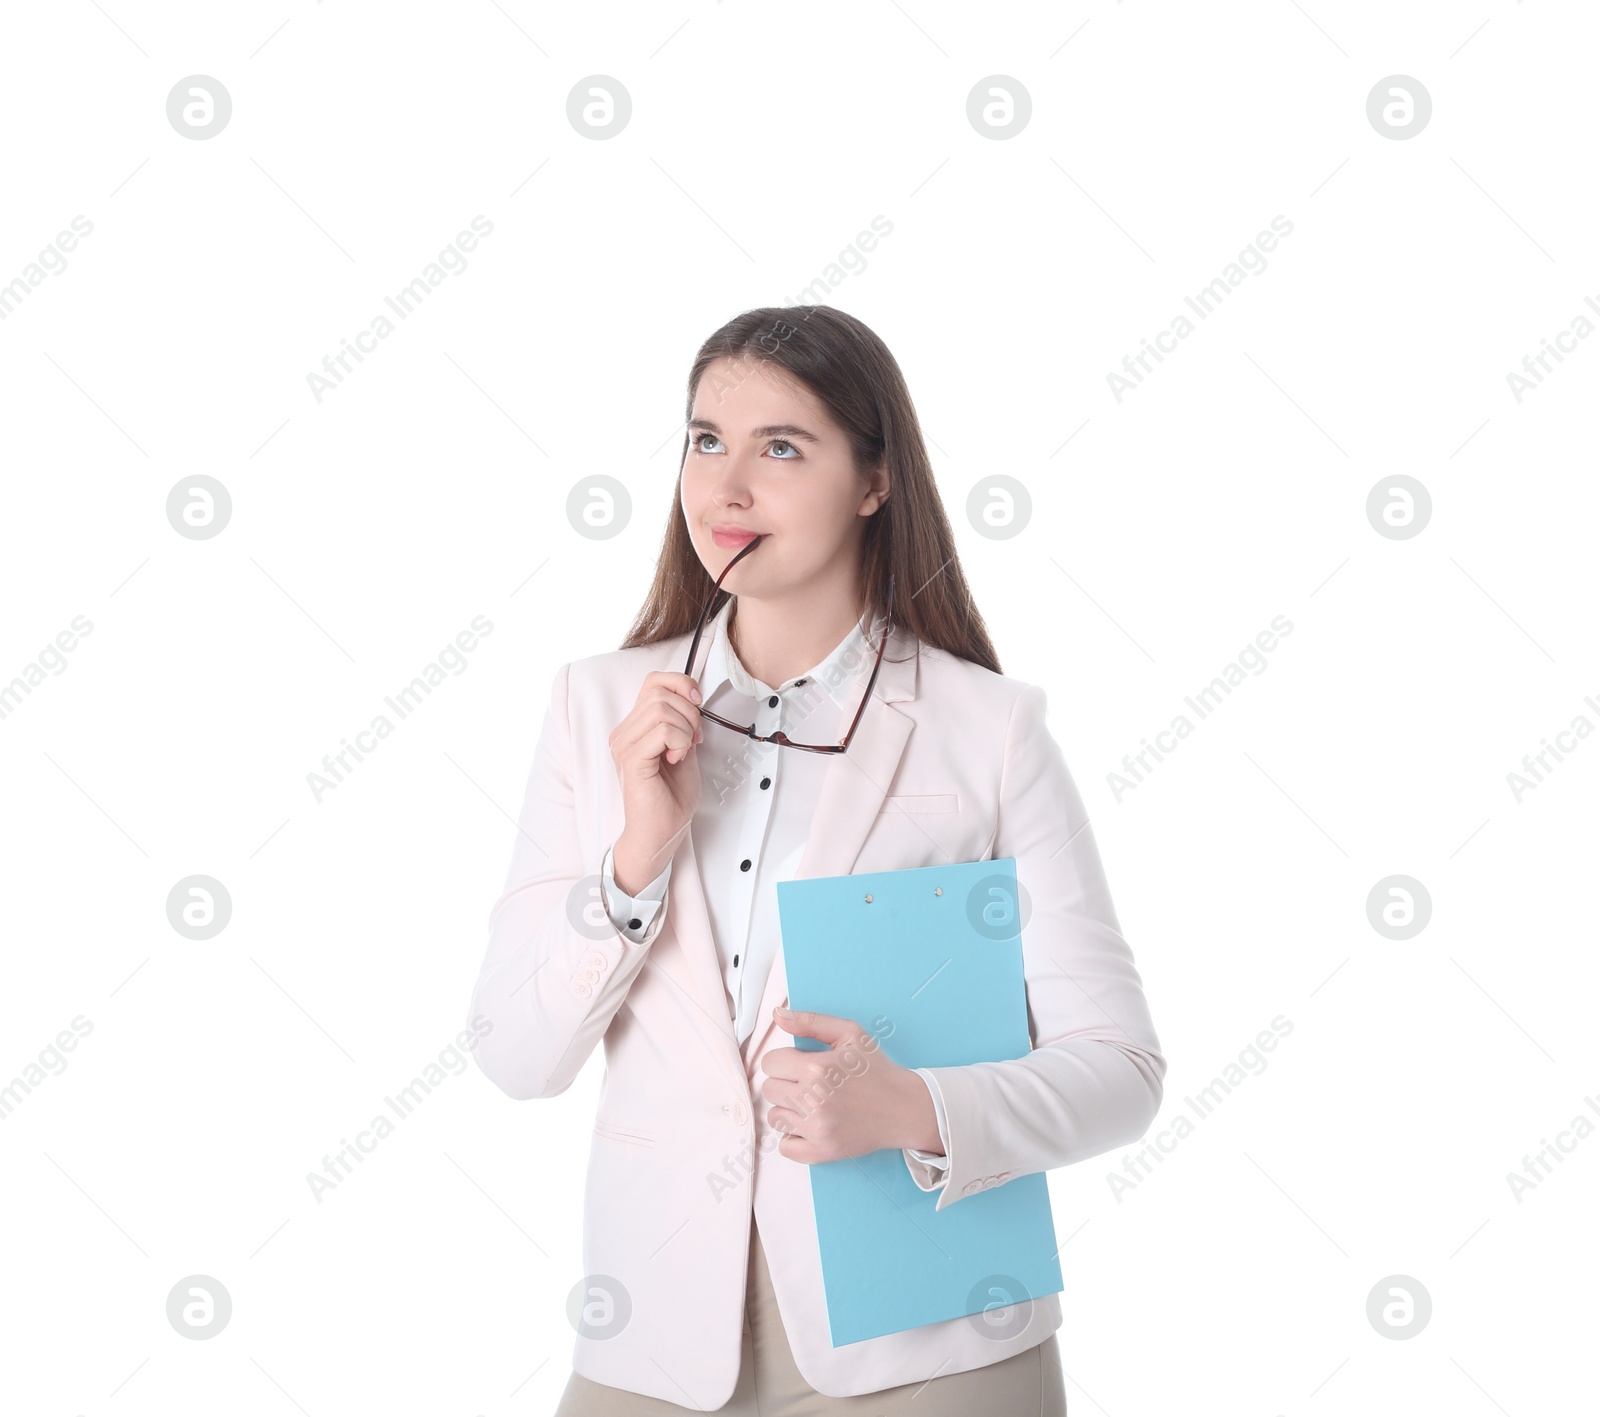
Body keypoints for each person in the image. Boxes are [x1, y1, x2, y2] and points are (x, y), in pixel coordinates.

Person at [466, 305, 1166, 1414]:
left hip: (932, 1346)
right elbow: (513, 1052)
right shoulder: (597, 706)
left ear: (874, 481)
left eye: (779, 448)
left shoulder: (989, 729)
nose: (725, 488)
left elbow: (1120, 1071)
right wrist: (635, 858)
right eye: (705, 441)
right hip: (658, 1342)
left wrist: (915, 1109)